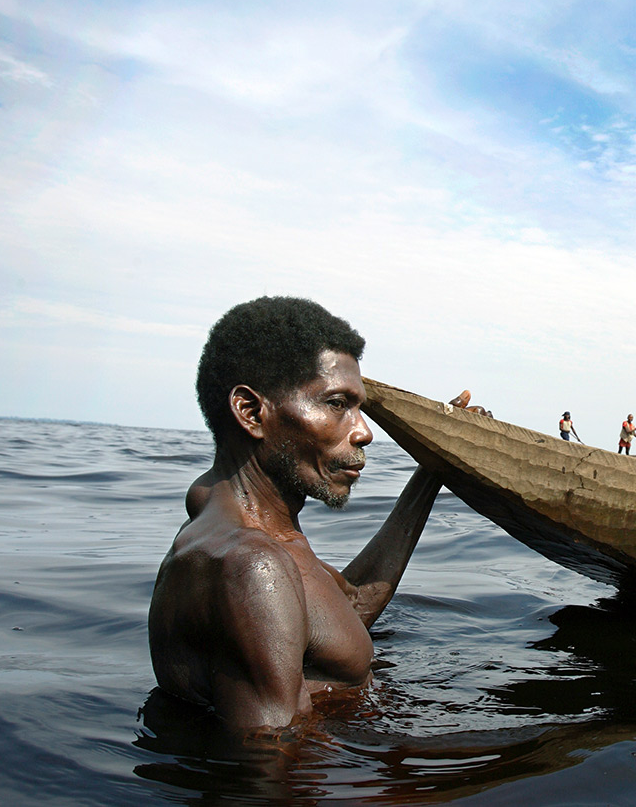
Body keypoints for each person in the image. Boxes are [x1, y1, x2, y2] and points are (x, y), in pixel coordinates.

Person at [150, 296, 443, 733]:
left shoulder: (248, 526)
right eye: (337, 404)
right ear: (251, 413)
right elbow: (268, 770)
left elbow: (346, 605)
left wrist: (433, 470)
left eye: (359, 407)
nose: (363, 431)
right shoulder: (250, 565)